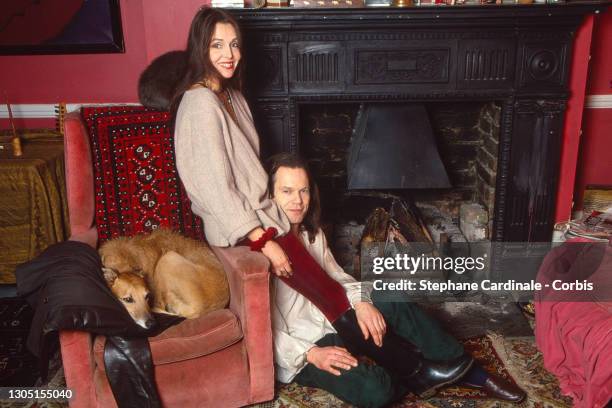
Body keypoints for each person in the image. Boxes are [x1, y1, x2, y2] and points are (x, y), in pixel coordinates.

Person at [172, 6, 478, 398]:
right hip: (247, 229)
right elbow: (212, 187)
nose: (228, 54)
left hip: (265, 222)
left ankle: (424, 367)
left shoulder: (230, 96)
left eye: (234, 44)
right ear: (200, 47)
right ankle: (412, 370)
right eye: (217, 45)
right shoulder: (199, 104)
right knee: (336, 304)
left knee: (337, 299)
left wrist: (274, 226)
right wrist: (261, 238)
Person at [266, 153, 527, 407]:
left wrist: (362, 303)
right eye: (286, 191)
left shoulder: (312, 235)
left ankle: (472, 373)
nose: (297, 201)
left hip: (337, 322)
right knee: (376, 391)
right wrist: (311, 354)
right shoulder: (265, 253)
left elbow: (339, 278)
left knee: (388, 296)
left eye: (304, 191)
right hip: (305, 348)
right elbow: (259, 329)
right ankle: (417, 370)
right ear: (270, 195)